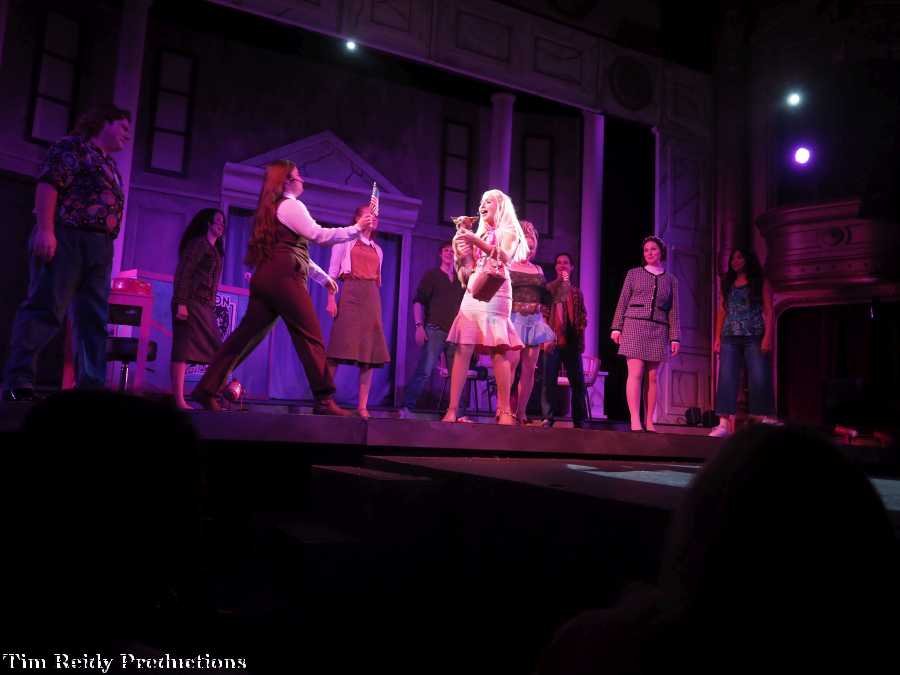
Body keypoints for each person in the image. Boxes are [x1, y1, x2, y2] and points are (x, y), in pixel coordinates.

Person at [192, 160, 363, 414]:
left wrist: (322, 277)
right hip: (284, 278)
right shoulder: (291, 205)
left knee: (245, 337)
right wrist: (357, 229)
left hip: (268, 277)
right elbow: (319, 235)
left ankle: (207, 390)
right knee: (309, 335)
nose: (302, 179)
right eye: (298, 176)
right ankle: (324, 399)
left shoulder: (274, 209)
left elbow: (293, 251)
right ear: (286, 182)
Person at [2, 104, 131, 400]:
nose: (127, 134)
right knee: (46, 307)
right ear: (104, 122)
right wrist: (46, 229)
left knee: (93, 317)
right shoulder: (72, 147)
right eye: (123, 127)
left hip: (100, 246)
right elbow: (49, 185)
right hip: (68, 235)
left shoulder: (110, 166)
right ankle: (19, 380)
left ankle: (91, 386)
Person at [442, 189, 527, 425]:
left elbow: (505, 257)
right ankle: (452, 409)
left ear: (500, 206)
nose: (482, 205)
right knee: (463, 346)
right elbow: (466, 274)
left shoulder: (509, 231)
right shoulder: (478, 233)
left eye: (488, 201)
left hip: (498, 290)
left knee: (498, 349)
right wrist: (462, 256)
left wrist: (474, 240)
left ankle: (505, 410)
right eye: (481, 202)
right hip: (474, 289)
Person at [325, 204, 391, 418]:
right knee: (337, 348)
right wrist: (331, 299)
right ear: (357, 219)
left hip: (371, 297)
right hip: (350, 293)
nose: (373, 218)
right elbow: (332, 272)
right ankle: (324, 400)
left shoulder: (378, 250)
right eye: (368, 215)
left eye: (375, 216)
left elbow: (377, 280)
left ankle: (362, 406)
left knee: (369, 353)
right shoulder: (345, 241)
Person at [610, 236, 680, 432]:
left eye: (653, 249)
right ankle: (635, 419)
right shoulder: (633, 274)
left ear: (661, 252)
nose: (649, 253)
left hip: (658, 329)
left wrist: (675, 337)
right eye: (646, 250)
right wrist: (616, 327)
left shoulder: (671, 280)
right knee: (636, 373)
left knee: (653, 377)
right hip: (634, 325)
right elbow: (623, 300)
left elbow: (674, 310)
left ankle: (649, 420)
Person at [708, 248, 776, 437]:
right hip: (730, 336)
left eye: (740, 257)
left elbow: (769, 310)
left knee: (759, 376)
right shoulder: (727, 283)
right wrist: (717, 337)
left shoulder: (760, 282)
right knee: (727, 377)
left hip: (754, 335)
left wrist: (768, 337)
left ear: (748, 259)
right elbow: (722, 310)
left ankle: (763, 418)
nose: (735, 261)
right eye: (733, 258)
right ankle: (723, 423)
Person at [399, 241, 465, 415]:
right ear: (440, 254)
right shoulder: (432, 275)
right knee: (425, 370)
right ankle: (407, 406)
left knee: (456, 374)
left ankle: (456, 412)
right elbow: (418, 301)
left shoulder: (460, 280)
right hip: (435, 329)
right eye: (446, 250)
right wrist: (419, 326)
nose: (449, 253)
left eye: (452, 251)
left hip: (454, 332)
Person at [170, 208, 226, 409]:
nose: (221, 225)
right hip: (189, 301)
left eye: (223, 222)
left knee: (218, 350)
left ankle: (208, 393)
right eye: (217, 221)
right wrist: (181, 302)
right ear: (208, 223)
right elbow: (184, 273)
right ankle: (179, 399)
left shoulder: (215, 250)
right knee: (182, 348)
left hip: (204, 305)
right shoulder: (198, 244)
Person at [505, 221, 555, 424]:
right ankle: (504, 409)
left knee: (529, 370)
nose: (529, 251)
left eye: (532, 247)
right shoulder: (508, 265)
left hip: (534, 321)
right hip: (514, 318)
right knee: (510, 366)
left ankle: (521, 412)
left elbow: (545, 299)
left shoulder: (538, 269)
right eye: (526, 246)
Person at [541, 252, 589, 428]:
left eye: (566, 263)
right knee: (549, 382)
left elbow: (583, 315)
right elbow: (543, 314)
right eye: (559, 262)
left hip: (571, 341)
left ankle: (579, 420)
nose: (562, 265)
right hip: (552, 341)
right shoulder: (549, 289)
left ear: (571, 267)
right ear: (555, 267)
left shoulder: (576, 292)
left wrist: (580, 332)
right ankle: (548, 417)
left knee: (577, 383)